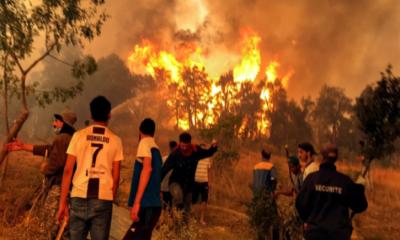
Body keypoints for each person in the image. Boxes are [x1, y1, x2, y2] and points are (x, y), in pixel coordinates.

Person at [56, 96, 124, 240]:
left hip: (78, 197)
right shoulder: (116, 140)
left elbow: (68, 170)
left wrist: (62, 203)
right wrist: (109, 198)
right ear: (109, 114)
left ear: (91, 115)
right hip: (103, 199)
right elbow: (116, 177)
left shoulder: (78, 136)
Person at [7, 109, 77, 239]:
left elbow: (59, 163)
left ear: (64, 124)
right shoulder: (68, 139)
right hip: (65, 188)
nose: (54, 124)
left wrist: (45, 168)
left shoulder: (62, 139)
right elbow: (48, 150)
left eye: (57, 121)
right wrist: (23, 146)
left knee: (48, 224)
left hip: (58, 188)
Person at [296, 144, 368, 240]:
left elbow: (300, 204)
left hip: (314, 234)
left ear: (322, 157)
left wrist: (308, 220)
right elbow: (360, 205)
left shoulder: (311, 179)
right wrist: (359, 187)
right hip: (338, 235)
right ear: (336, 158)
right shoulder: (344, 181)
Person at [161, 132, 217, 224]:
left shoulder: (196, 151)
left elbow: (208, 153)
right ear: (180, 143)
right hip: (175, 183)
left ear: (189, 144)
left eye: (186, 146)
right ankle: (174, 217)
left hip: (189, 185)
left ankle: (184, 228)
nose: (184, 148)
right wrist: (156, 183)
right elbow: (164, 169)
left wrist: (213, 147)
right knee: (178, 198)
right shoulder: (175, 153)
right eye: (182, 145)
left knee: (187, 207)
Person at [123, 118, 163, 240]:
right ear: (153, 132)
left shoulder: (144, 143)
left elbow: (147, 170)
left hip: (147, 204)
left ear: (140, 131)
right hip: (153, 205)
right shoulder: (156, 148)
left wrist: (136, 203)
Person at [252, 149, 279, 240]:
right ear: (270, 156)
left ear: (261, 155)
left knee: (260, 220)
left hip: (256, 197)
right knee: (275, 220)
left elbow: (254, 182)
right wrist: (273, 192)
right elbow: (273, 179)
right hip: (267, 196)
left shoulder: (255, 167)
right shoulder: (271, 166)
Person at [192, 144, 212, 225]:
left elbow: (209, 171)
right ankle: (194, 218)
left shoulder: (208, 158)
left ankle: (201, 219)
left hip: (204, 181)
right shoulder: (195, 157)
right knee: (194, 201)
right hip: (195, 181)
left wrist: (210, 182)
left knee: (204, 200)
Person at [161, 140, 177, 209]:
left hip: (164, 187)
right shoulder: (178, 160)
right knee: (171, 207)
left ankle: (165, 218)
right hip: (172, 187)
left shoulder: (163, 159)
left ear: (169, 148)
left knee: (164, 206)